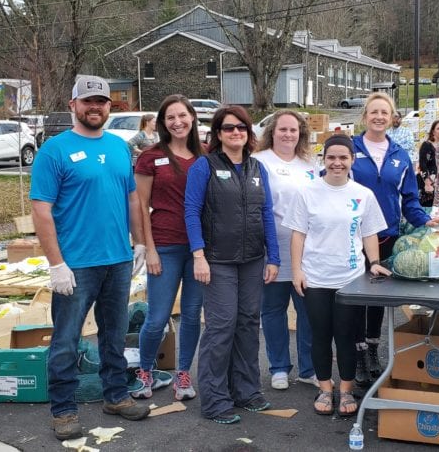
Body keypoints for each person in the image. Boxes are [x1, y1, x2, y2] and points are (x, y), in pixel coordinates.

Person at [30, 75, 150, 441]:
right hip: (76, 264)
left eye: (101, 101)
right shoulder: (54, 151)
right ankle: (64, 410)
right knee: (66, 339)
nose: (94, 107)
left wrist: (140, 242)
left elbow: (132, 199)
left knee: (114, 335)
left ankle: (115, 395)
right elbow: (41, 209)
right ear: (73, 106)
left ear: (110, 107)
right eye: (87, 102)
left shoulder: (118, 147)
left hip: (117, 260)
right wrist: (56, 263)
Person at [184, 105, 280, 425]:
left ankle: (247, 391)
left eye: (241, 127)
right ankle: (214, 400)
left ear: (249, 133)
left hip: (253, 259)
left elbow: (266, 214)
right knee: (221, 325)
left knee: (248, 323)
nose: (235, 132)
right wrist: (199, 255)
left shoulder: (256, 168)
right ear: (218, 134)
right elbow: (191, 212)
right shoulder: (204, 166)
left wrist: (274, 257)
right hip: (217, 261)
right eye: (228, 128)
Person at [285, 134, 390, 418]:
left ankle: (345, 390)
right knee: (320, 335)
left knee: (345, 336)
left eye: (343, 157)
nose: (337, 163)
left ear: (352, 160)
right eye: (331, 157)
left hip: (350, 278)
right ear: (324, 159)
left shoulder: (362, 194)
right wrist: (296, 270)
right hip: (316, 277)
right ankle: (324, 388)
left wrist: (375, 263)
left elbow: (369, 233)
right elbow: (298, 235)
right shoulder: (307, 192)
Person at [350, 92, 439, 386]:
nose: (378, 117)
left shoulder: (400, 155)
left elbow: (410, 201)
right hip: (350, 238)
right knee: (355, 301)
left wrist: (427, 220)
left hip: (386, 235)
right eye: (373, 112)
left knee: (376, 300)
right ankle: (357, 354)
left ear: (391, 118)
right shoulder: (350, 149)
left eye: (384, 113)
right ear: (365, 116)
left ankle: (373, 351)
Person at [132, 95, 205, 401]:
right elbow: (140, 205)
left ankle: (183, 374)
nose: (177, 122)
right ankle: (145, 372)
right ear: (162, 123)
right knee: (158, 317)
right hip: (164, 245)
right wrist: (148, 248)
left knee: (191, 315)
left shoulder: (207, 156)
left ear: (192, 118)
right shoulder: (151, 157)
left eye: (182, 116)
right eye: (170, 117)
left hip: (199, 250)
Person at [252, 110, 318, 391]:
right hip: (273, 251)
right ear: (272, 132)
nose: (288, 134)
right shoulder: (258, 161)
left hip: (307, 252)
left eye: (293, 130)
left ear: (300, 133)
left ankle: (309, 368)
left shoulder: (311, 164)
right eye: (283, 129)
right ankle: (279, 367)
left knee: (308, 312)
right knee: (273, 311)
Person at [417, 120, 439, 208]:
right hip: (428, 182)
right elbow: (422, 165)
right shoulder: (427, 145)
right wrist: (427, 183)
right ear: (433, 131)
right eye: (438, 128)